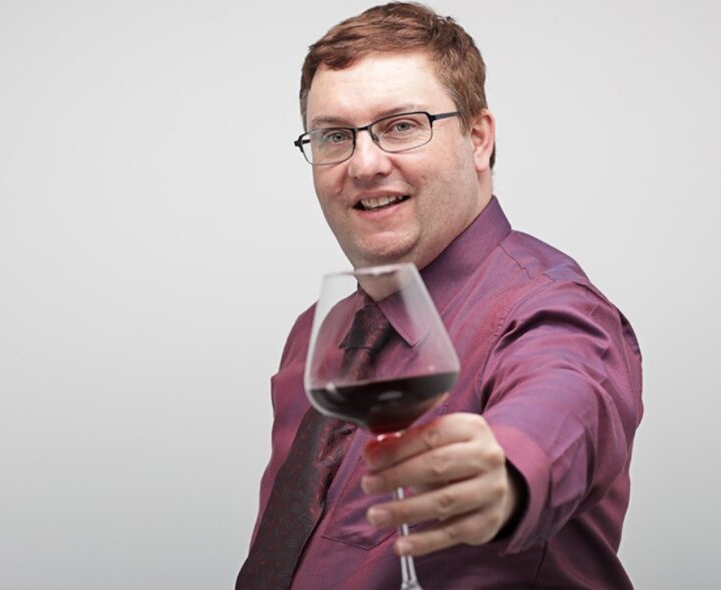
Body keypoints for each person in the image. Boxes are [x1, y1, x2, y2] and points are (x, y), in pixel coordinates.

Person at [238, 3, 643, 589]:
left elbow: (568, 400)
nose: (365, 163)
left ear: (478, 139)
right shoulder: (318, 333)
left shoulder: (550, 309)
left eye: (402, 125)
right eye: (335, 135)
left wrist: (506, 472)